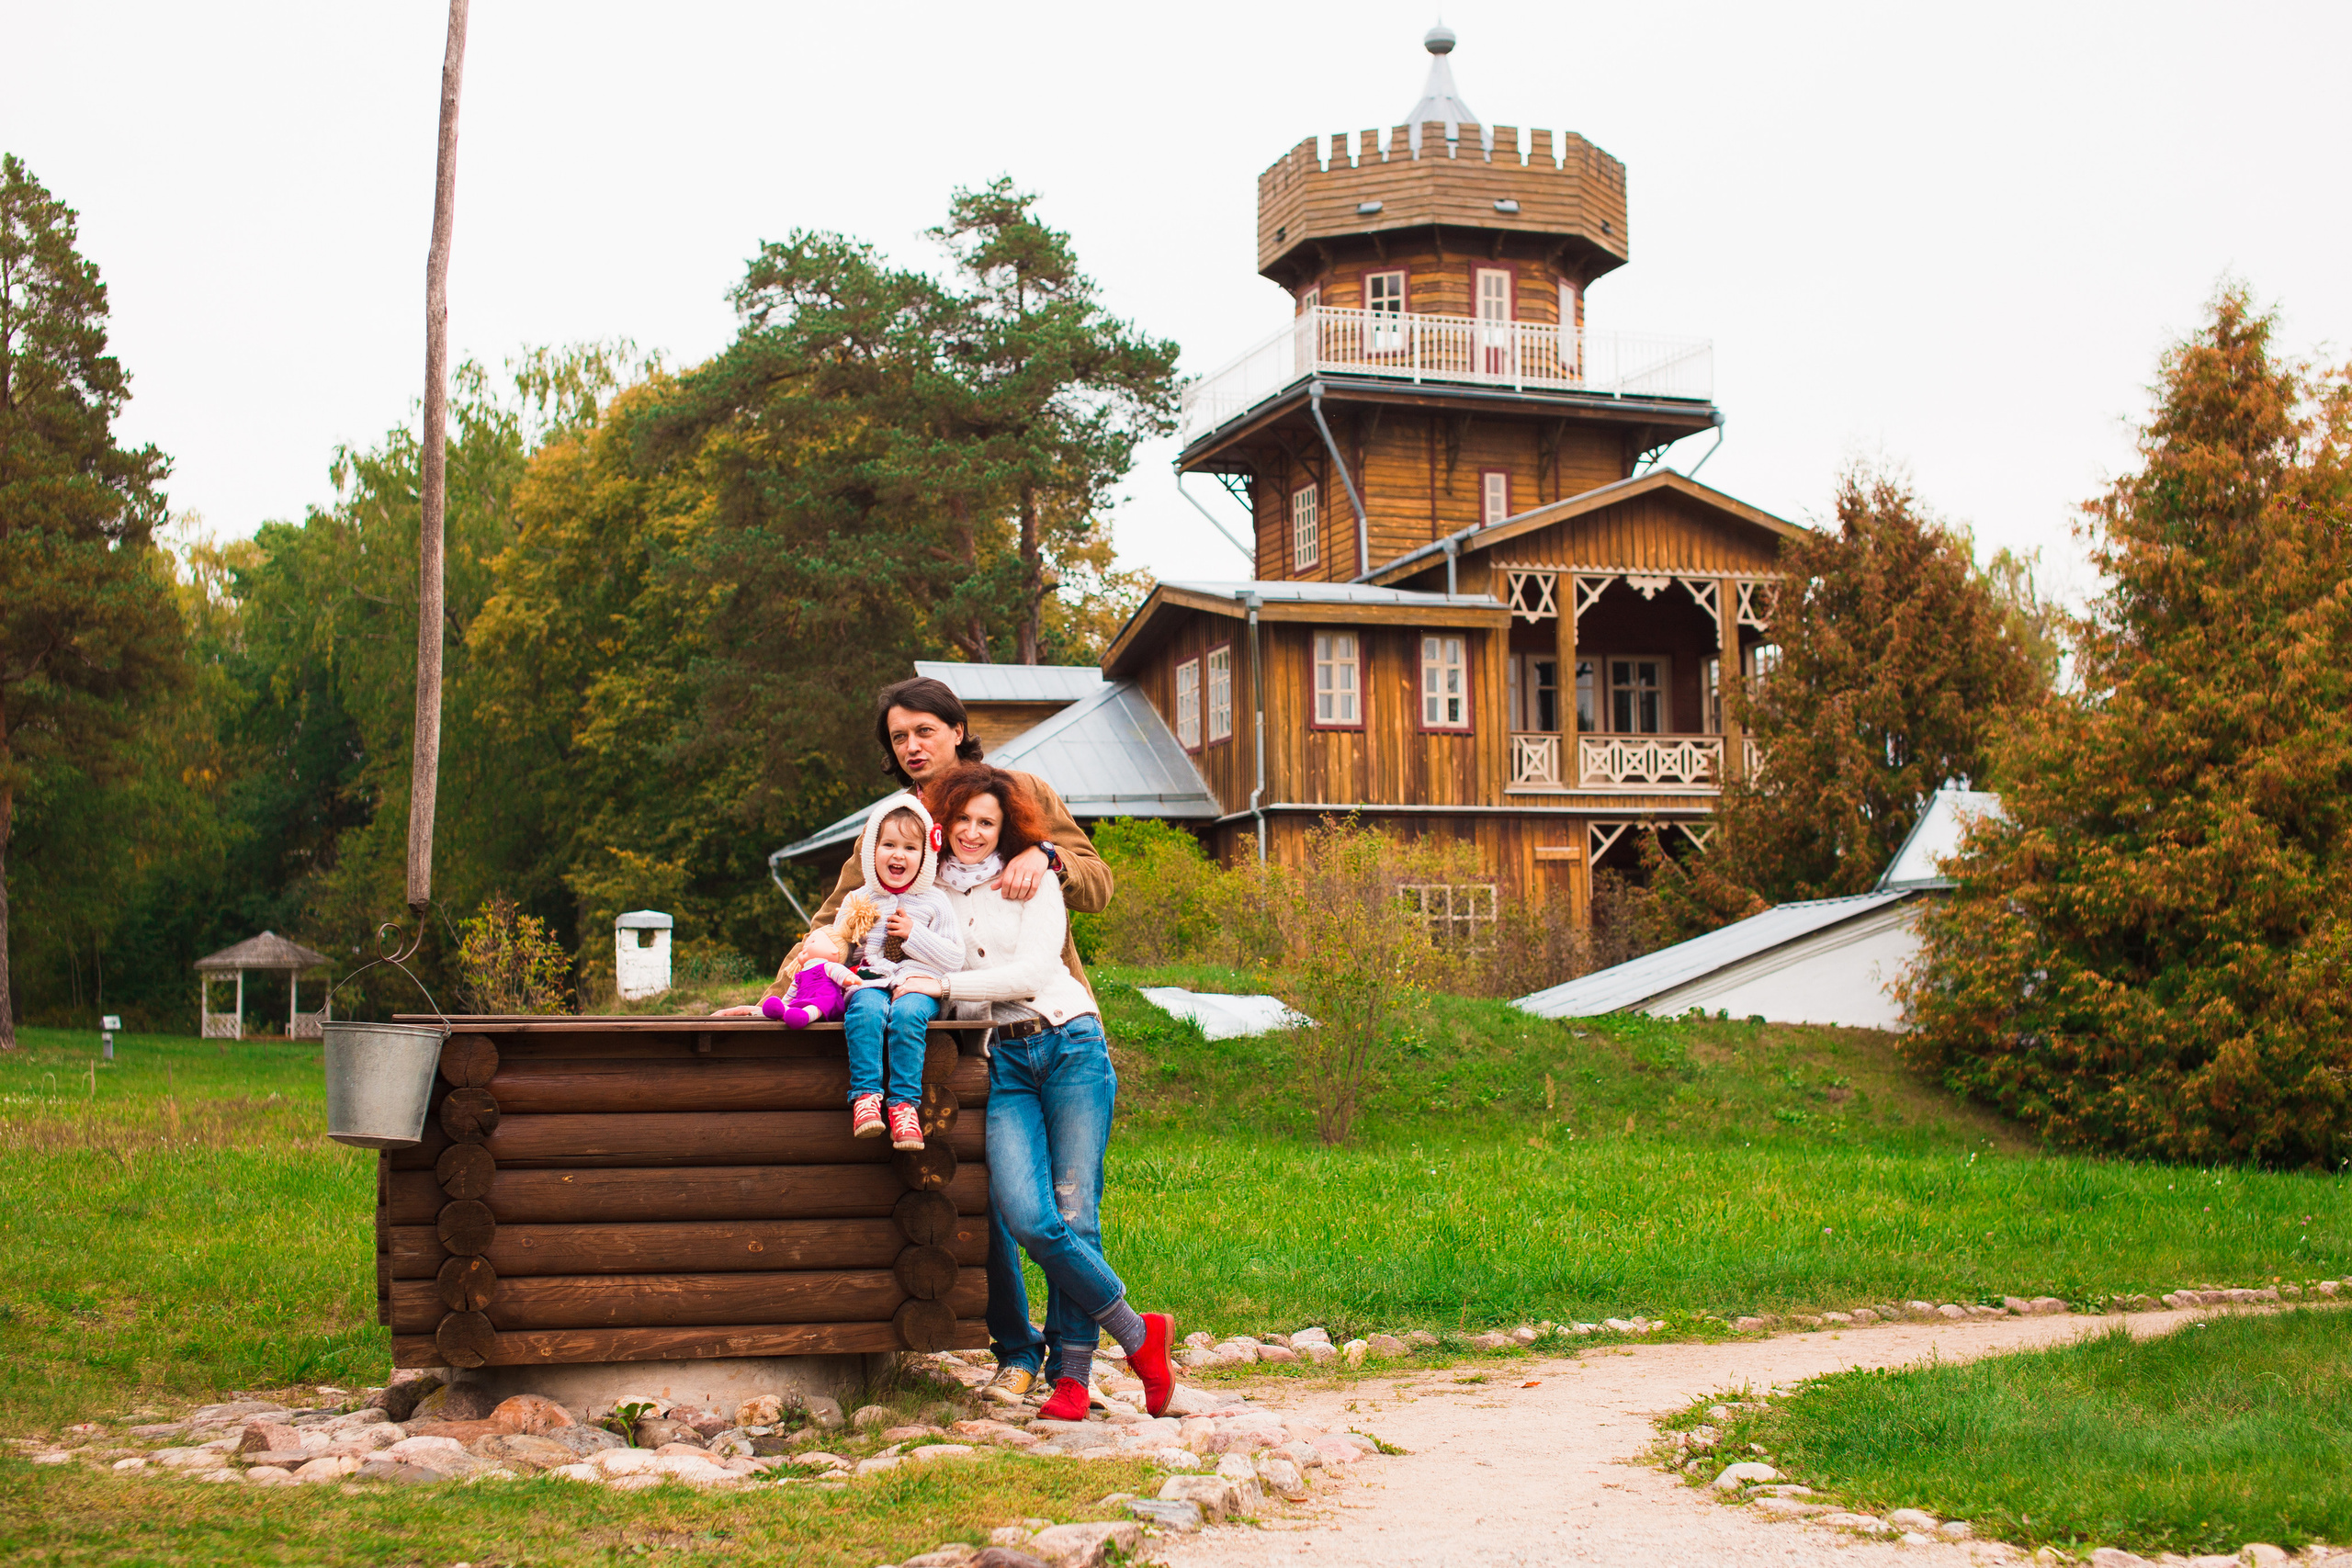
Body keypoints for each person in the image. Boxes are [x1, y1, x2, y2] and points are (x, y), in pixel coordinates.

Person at [895, 759, 1173, 1420]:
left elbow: (1032, 972)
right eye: (962, 819)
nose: (972, 832)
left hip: (1069, 1042)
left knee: (1076, 1215)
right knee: (1025, 1215)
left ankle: (1072, 1379)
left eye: (986, 822)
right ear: (943, 824)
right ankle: (1139, 1333)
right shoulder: (930, 900)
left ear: (1006, 829)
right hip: (1007, 1064)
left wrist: (942, 983)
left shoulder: (1032, 876)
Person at [830, 793, 962, 1150]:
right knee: (865, 1010)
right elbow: (838, 945)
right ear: (872, 849)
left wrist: (914, 935)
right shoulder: (859, 898)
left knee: (907, 1015)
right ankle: (866, 1097)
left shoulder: (935, 902)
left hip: (918, 984)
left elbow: (954, 957)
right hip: (870, 979)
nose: (898, 855)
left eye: (910, 847)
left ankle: (904, 1106)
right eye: (888, 844)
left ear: (926, 855)